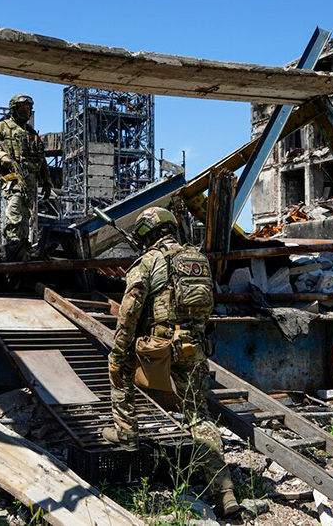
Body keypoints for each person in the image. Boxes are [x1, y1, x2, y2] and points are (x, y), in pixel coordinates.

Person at [104, 206, 239, 516]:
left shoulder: (148, 262)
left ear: (147, 234)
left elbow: (129, 313)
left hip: (158, 349)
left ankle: (126, 434)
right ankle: (224, 489)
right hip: (194, 348)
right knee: (198, 417)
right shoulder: (197, 260)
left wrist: (120, 350)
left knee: (119, 369)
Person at [0, 94, 52, 261]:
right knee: (14, 212)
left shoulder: (31, 133)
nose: (26, 111)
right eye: (23, 108)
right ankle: (14, 247)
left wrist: (47, 181)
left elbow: (41, 159)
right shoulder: (2, 128)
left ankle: (23, 248)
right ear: (14, 109)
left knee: (26, 217)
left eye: (28, 108)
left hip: (30, 181)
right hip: (12, 178)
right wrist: (1, 156)